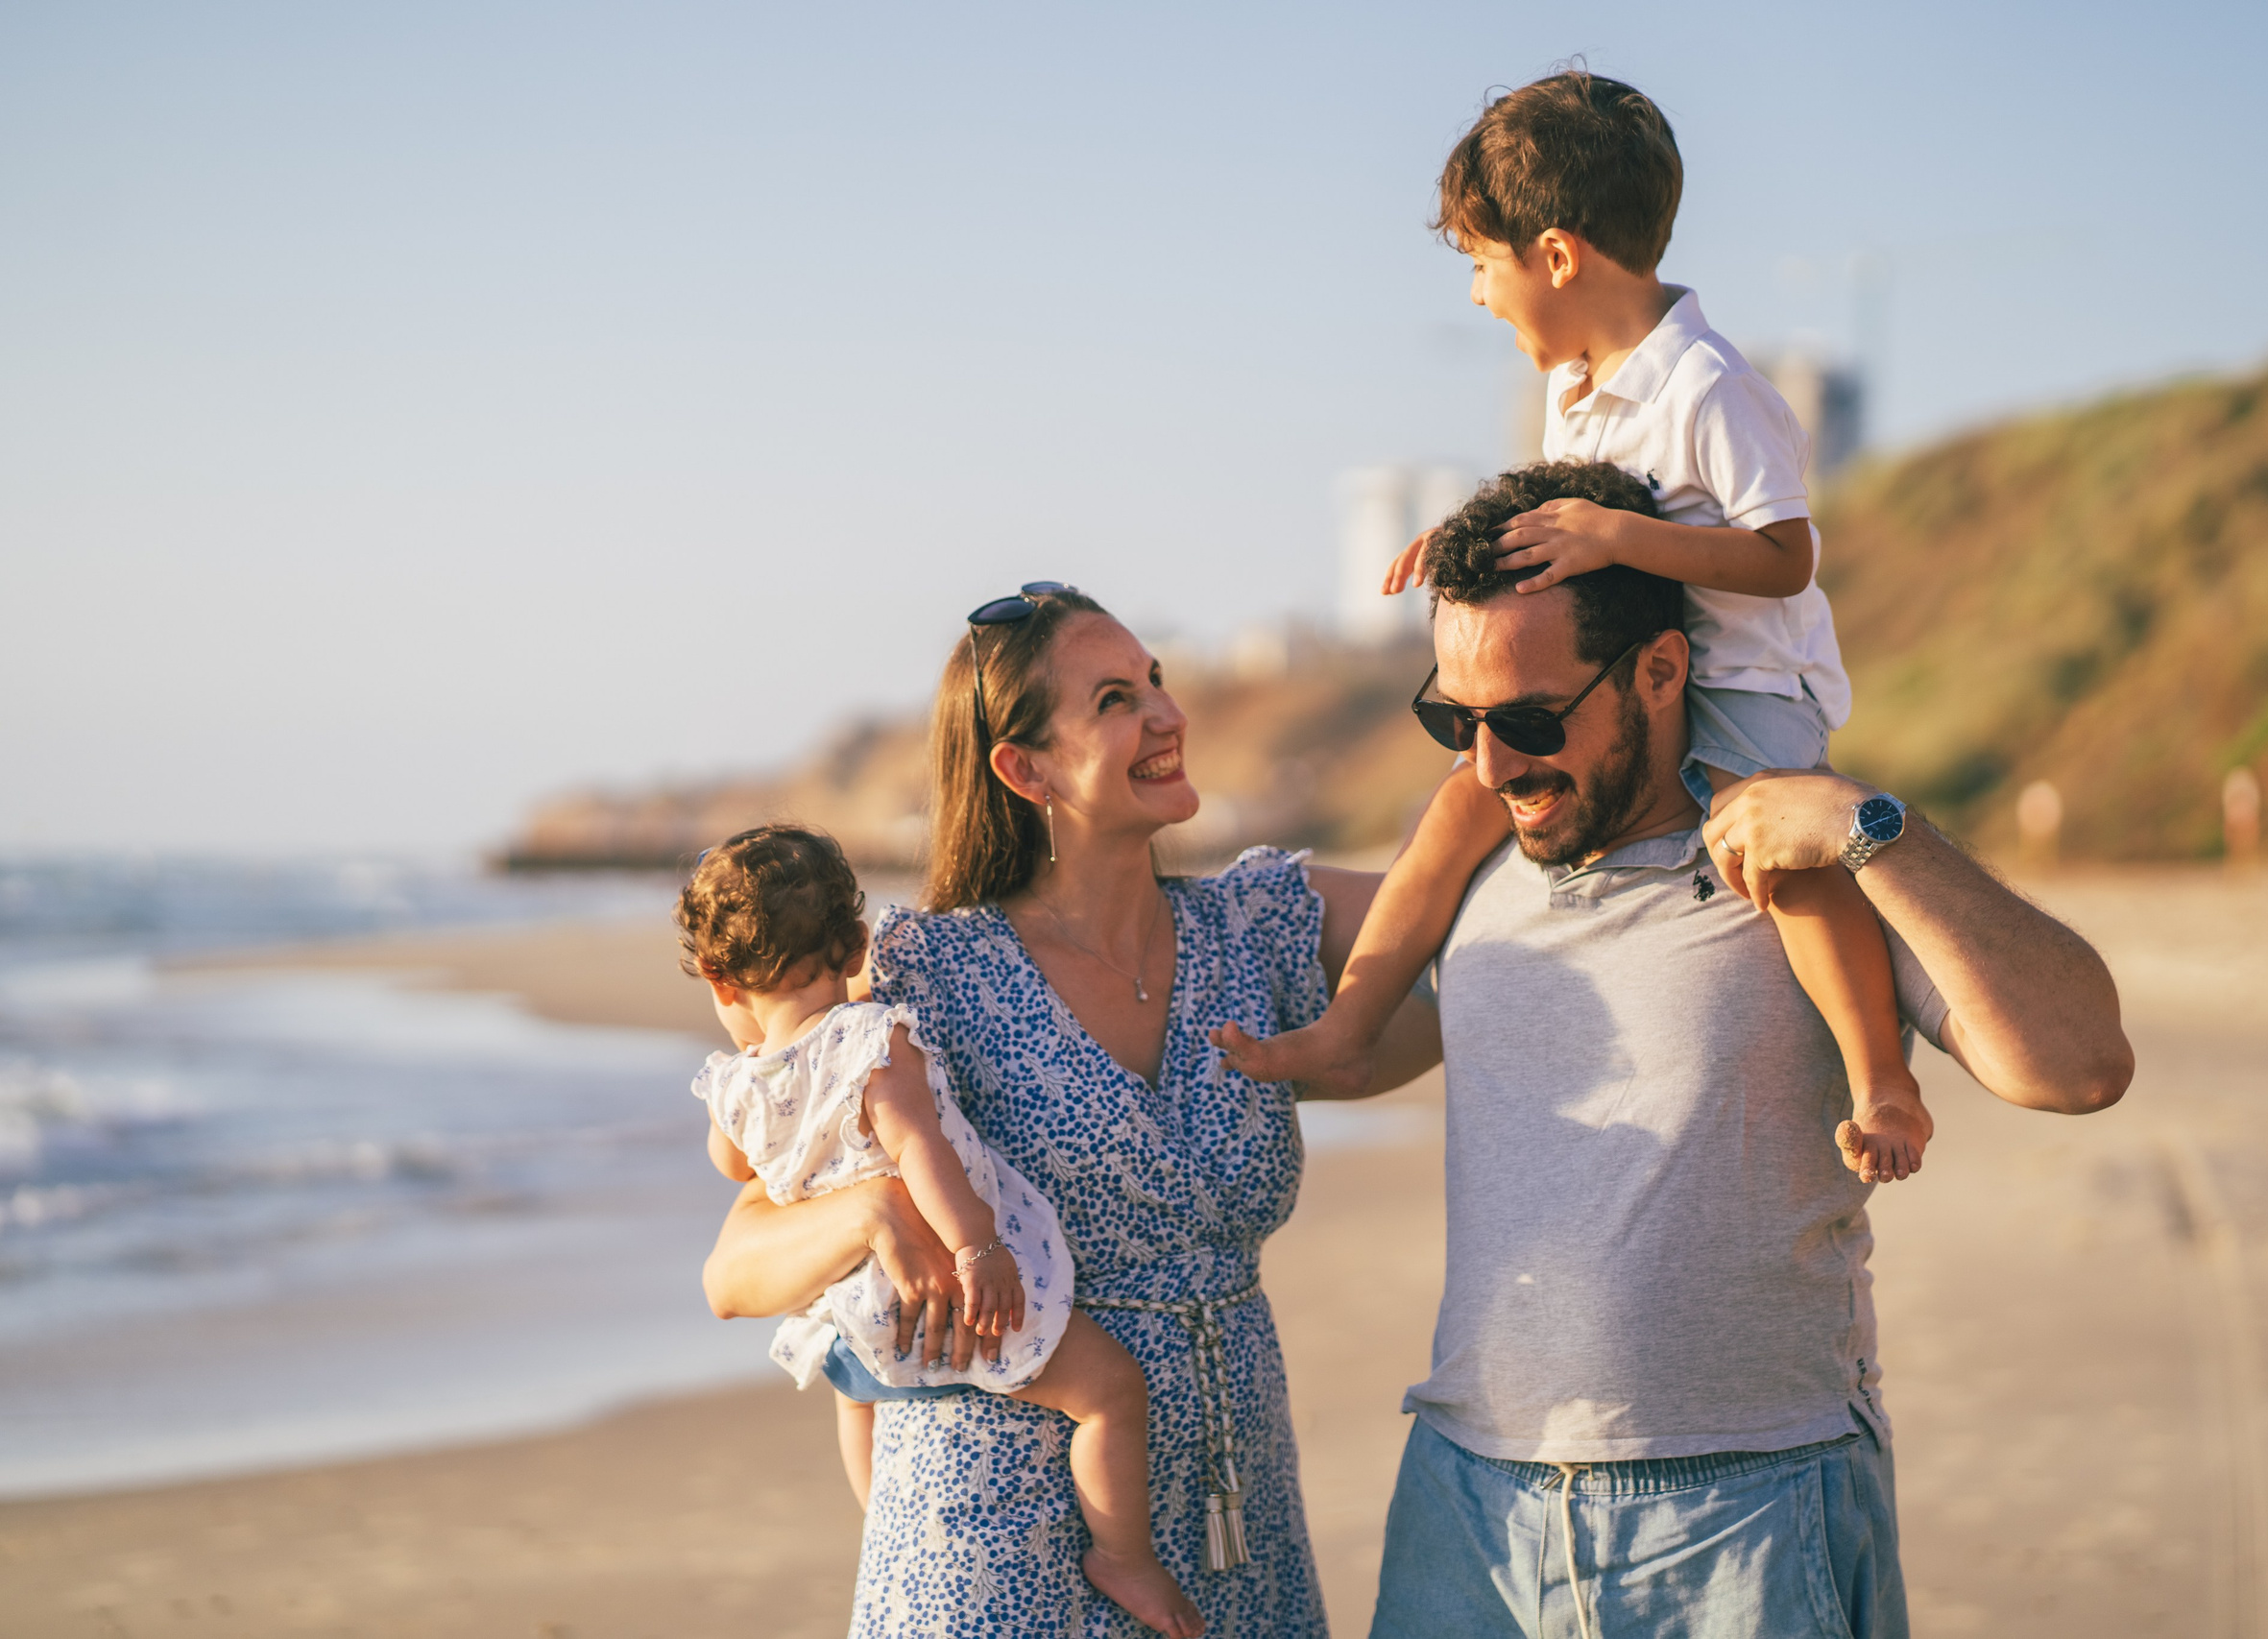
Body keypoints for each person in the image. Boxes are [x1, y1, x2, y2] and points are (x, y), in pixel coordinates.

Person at [1294, 467, 2132, 1638]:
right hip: (1467, 1515)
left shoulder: (1795, 872)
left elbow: (2078, 1064)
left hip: (1743, 1515)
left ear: (1659, 670)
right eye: (1456, 722)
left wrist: (1865, 827)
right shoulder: (1481, 869)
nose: (1491, 768)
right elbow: (1352, 1050)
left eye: (1530, 721)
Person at [1218, 72, 1931, 1187]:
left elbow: (1783, 557)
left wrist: (1621, 538)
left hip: (1743, 685)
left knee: (1782, 859)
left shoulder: (1710, 388)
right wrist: (1467, 537)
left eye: (1479, 264)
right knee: (1451, 812)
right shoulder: (1574, 382)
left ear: (1554, 256)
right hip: (1625, 673)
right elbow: (1555, 507)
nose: (1474, 295)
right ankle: (1350, 1024)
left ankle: (1880, 1077)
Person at [697, 586, 1381, 1638]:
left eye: (1156, 681)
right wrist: (875, 1213)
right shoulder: (922, 972)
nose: (1167, 714)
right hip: (995, 1546)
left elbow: (1480, 924)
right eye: (1115, 699)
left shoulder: (1250, 926)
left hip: (1237, 1524)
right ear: (1025, 770)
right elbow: (734, 1266)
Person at [676, 825, 1203, 1638]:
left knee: (862, 1404)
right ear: (857, 944)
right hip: (938, 1292)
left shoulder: (733, 1086)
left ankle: (886, 1529)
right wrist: (978, 1247)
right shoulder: (870, 1041)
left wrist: (764, 1076)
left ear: (718, 978)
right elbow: (919, 1147)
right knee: (1107, 1393)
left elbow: (733, 1164)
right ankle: (1124, 1557)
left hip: (849, 1316)